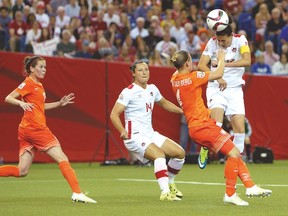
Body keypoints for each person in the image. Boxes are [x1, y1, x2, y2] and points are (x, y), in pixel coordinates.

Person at [170, 49, 272, 206]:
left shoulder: (174, 78)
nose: (194, 63)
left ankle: (250, 186)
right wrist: (222, 58)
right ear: (187, 63)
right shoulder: (193, 77)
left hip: (196, 126)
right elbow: (218, 74)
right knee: (234, 153)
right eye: (191, 60)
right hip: (203, 126)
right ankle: (230, 193)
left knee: (235, 153)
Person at [0, 55, 96, 204]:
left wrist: (59, 103)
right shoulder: (29, 83)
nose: (44, 70)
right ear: (32, 68)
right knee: (62, 158)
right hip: (36, 128)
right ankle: (77, 193)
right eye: (41, 67)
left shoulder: (39, 85)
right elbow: (8, 97)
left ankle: (77, 193)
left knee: (22, 171)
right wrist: (21, 104)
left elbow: (40, 107)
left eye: (45, 67)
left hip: (26, 129)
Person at [110, 59, 185, 201]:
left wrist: (181, 111)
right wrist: (121, 130)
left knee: (180, 153)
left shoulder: (152, 89)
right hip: (134, 136)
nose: (144, 72)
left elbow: (164, 103)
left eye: (146, 69)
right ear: (133, 73)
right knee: (159, 155)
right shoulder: (128, 92)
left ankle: (169, 183)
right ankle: (165, 193)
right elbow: (114, 114)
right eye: (140, 70)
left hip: (150, 134)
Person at [197, 17, 252, 169]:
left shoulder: (241, 40)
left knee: (240, 131)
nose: (220, 43)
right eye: (219, 40)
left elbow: (247, 61)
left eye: (223, 40)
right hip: (216, 87)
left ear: (230, 36)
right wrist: (217, 76)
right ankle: (205, 147)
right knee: (217, 123)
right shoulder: (212, 41)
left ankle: (236, 165)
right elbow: (201, 65)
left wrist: (223, 64)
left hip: (235, 89)